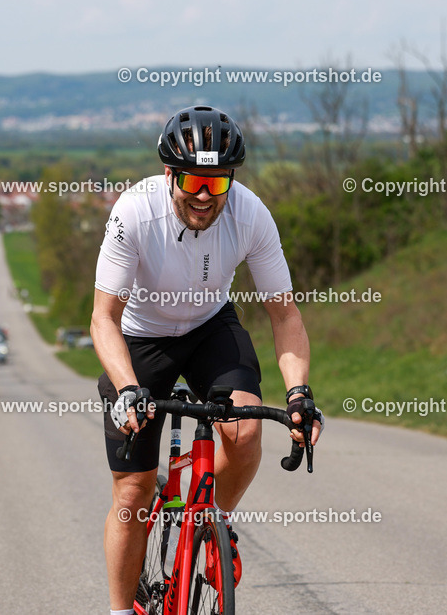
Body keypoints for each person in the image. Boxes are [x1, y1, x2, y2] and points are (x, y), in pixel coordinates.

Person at [90, 105, 320, 614]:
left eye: (217, 185)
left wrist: (299, 393)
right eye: (193, 180)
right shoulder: (134, 212)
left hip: (209, 327)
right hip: (140, 338)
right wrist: (129, 389)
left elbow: (286, 318)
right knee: (133, 493)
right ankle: (120, 610)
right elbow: (103, 319)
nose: (203, 195)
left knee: (245, 432)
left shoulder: (251, 215)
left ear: (230, 182)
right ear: (170, 173)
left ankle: (211, 524)